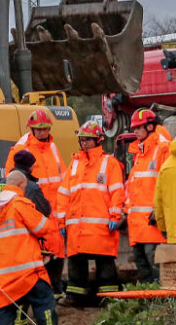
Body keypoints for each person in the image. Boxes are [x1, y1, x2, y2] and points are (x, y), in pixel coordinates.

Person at [56, 122, 124, 307]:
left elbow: (117, 191)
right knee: (76, 262)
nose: (84, 143)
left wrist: (115, 216)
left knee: (105, 262)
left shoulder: (109, 163)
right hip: (76, 227)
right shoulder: (74, 164)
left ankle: (109, 298)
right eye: (82, 139)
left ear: (97, 140)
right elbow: (63, 194)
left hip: (100, 226)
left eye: (88, 140)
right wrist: (61, 222)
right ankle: (74, 296)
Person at [0, 170, 59, 325]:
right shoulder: (19, 204)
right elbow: (43, 227)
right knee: (45, 305)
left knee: (4, 314)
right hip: (28, 273)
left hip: (2, 280)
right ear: (22, 185)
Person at [5, 108, 66, 294]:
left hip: (53, 214)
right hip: (33, 212)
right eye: (38, 129)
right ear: (31, 129)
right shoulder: (21, 149)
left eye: (45, 129)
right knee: (37, 255)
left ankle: (54, 289)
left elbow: (63, 178)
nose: (42, 132)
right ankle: (41, 290)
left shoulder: (53, 147)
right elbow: (12, 180)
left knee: (56, 252)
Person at [124, 109, 171, 284]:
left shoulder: (162, 148)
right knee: (144, 268)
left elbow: (168, 184)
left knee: (156, 268)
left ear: (150, 126)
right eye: (134, 128)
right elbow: (134, 185)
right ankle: (149, 304)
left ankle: (161, 305)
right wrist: (126, 210)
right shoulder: (140, 151)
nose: (135, 131)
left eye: (139, 127)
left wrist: (160, 211)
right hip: (138, 223)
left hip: (152, 223)